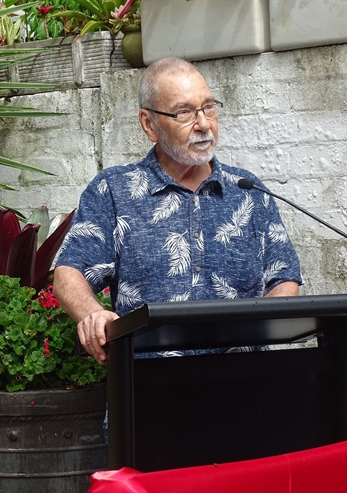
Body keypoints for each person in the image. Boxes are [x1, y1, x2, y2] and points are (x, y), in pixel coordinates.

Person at [53, 57, 303, 364]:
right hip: (147, 393)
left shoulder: (248, 191)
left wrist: (263, 324)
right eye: (184, 112)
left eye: (208, 107)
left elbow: (284, 277)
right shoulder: (114, 191)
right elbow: (69, 272)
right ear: (149, 124)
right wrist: (92, 315)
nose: (203, 123)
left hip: (244, 385)